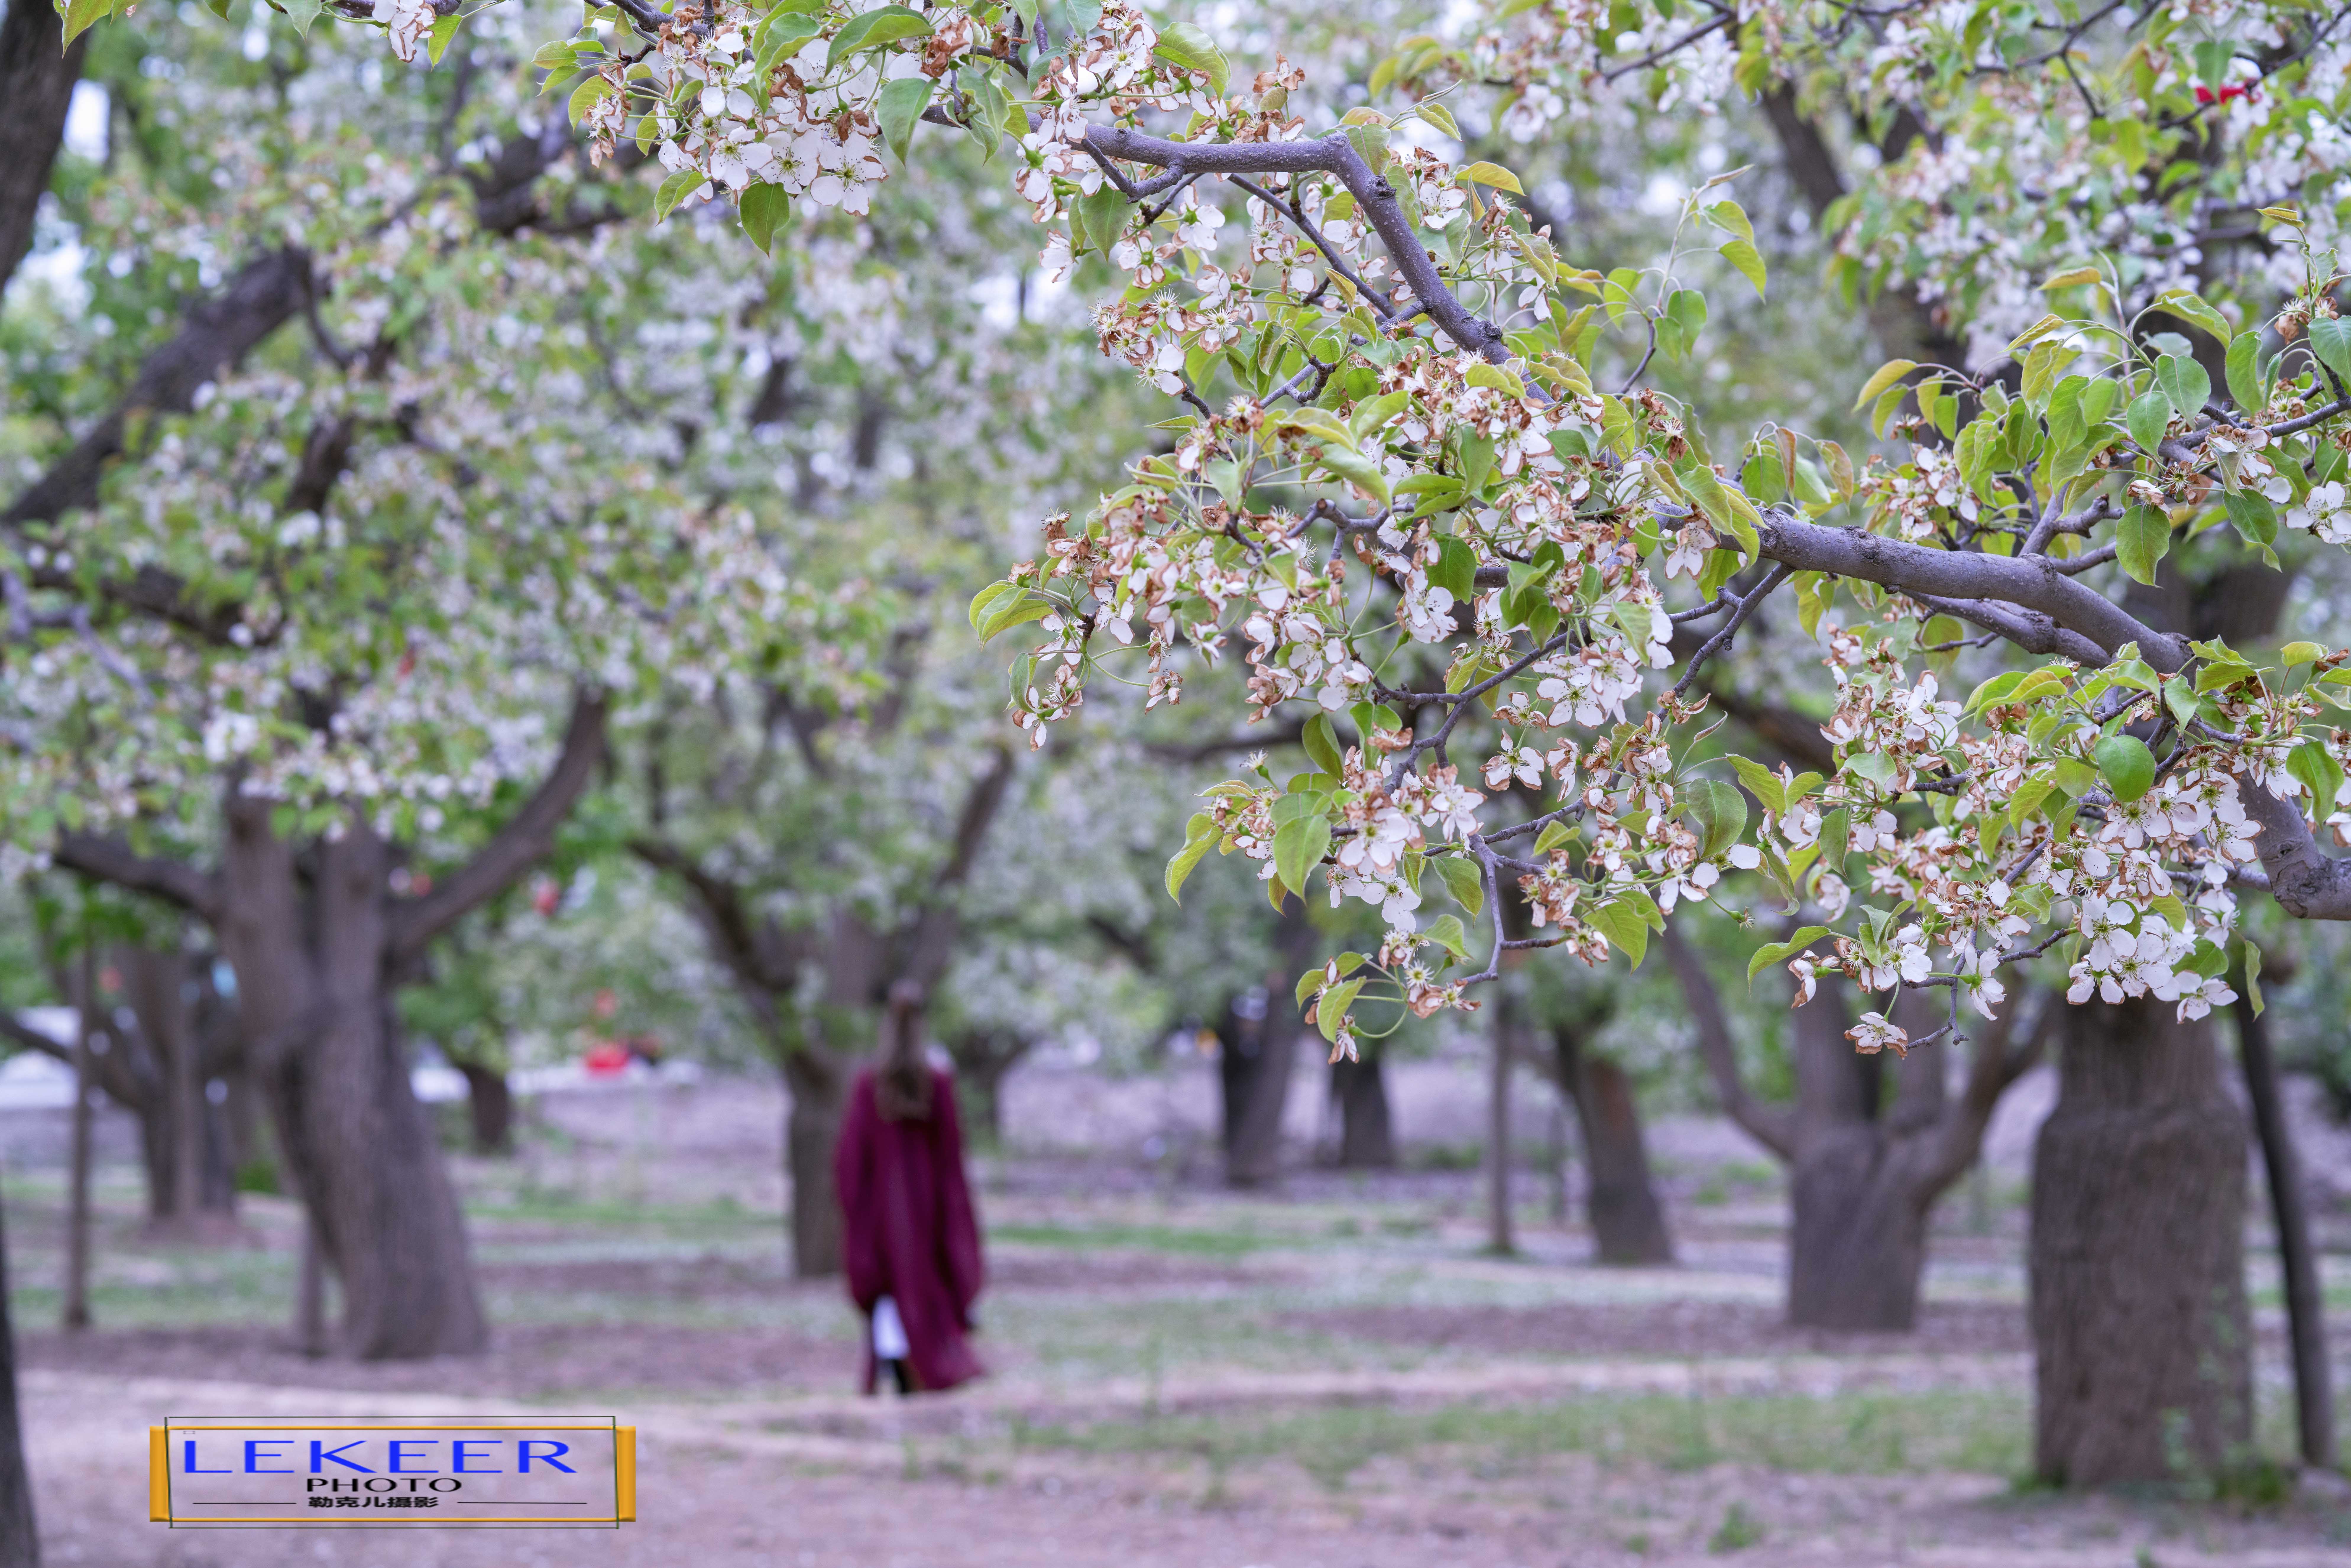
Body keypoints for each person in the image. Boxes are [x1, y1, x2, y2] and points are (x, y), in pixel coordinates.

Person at [832, 983, 986, 1394]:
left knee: (892, 1294)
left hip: (883, 1216)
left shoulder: (875, 1085)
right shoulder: (932, 1083)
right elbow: (952, 1161)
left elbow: (851, 1163)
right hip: (927, 1213)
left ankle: (904, 1371)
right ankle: (915, 1371)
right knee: (919, 1287)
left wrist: (860, 1214)